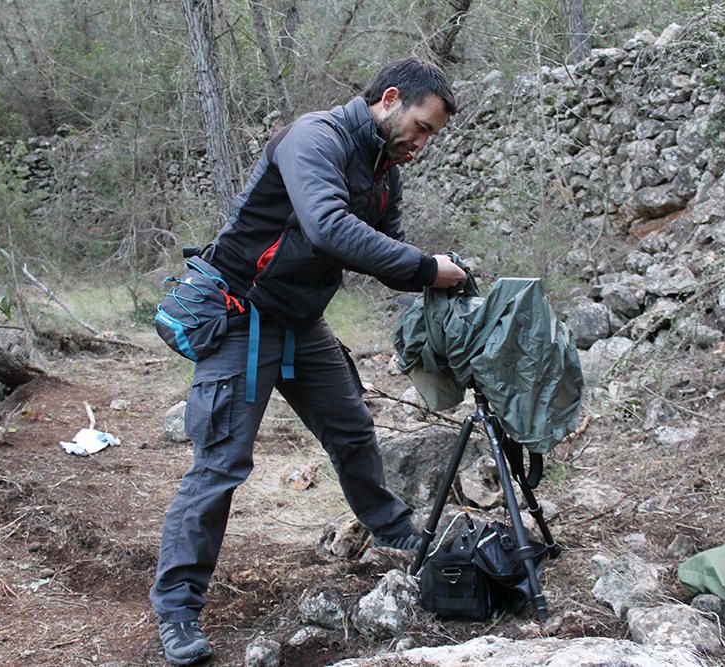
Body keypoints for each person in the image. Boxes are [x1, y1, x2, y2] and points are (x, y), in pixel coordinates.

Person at [150, 56, 467, 665]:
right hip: (240, 312)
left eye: (432, 135)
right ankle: (178, 609)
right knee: (221, 464)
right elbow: (326, 228)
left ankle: (394, 531)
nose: (423, 144)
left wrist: (435, 270)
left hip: (301, 320)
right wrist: (428, 267)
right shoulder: (313, 138)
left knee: (352, 429)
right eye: (422, 128)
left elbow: (385, 250)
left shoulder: (384, 170)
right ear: (391, 99)